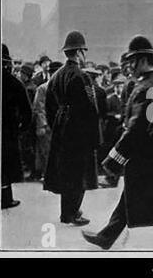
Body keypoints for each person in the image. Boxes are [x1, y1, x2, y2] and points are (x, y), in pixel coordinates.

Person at [82, 35, 153, 250]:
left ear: (141, 60)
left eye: (131, 61)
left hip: (150, 157)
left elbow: (136, 129)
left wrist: (113, 160)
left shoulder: (146, 88)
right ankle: (107, 236)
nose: (129, 66)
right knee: (133, 196)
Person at [44, 31, 100, 226]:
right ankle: (73, 212)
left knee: (66, 173)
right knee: (79, 174)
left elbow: (49, 104)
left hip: (61, 129)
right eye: (83, 51)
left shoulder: (57, 75)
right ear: (78, 52)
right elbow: (90, 108)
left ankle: (65, 212)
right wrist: (95, 138)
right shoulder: (81, 76)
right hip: (79, 132)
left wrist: (56, 124)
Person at [1, 44, 32, 209]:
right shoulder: (15, 83)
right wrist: (21, 129)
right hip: (8, 132)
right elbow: (27, 111)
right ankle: (5, 199)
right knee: (6, 165)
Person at [29, 61, 63, 182]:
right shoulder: (43, 88)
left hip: (61, 125)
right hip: (48, 126)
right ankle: (47, 175)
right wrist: (42, 125)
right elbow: (39, 108)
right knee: (46, 152)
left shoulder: (64, 87)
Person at [99, 74, 127, 188]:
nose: (118, 88)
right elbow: (104, 113)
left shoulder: (126, 99)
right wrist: (114, 115)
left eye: (120, 86)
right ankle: (110, 176)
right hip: (112, 129)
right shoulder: (110, 99)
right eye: (116, 86)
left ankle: (116, 176)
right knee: (111, 152)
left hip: (121, 129)